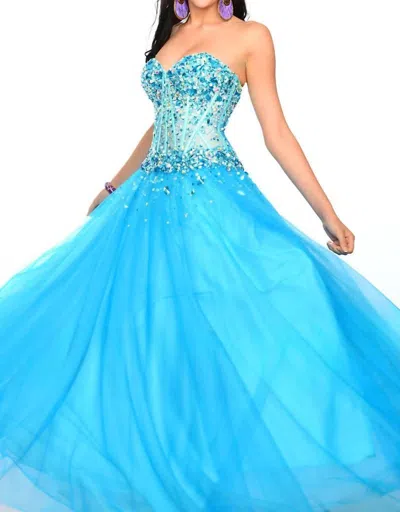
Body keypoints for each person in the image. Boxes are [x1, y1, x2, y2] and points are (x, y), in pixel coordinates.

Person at [1, 1, 399, 511]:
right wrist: (114, 184)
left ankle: (219, 476)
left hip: (211, 200)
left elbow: (276, 132)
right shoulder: (171, 35)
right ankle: (171, 469)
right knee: (152, 334)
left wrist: (328, 215)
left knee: (222, 326)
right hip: (147, 206)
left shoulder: (252, 36)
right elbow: (160, 125)